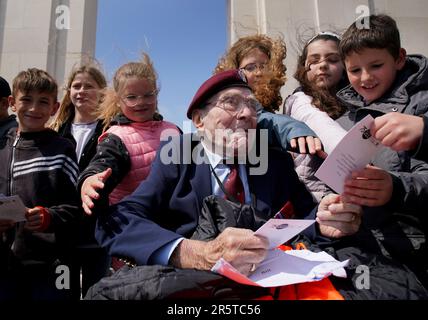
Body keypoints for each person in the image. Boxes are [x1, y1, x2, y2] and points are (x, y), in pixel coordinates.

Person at [92, 70, 362, 282]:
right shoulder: (176, 157)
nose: (246, 114)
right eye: (231, 103)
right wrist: (194, 253)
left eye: (251, 106)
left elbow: (304, 217)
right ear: (199, 121)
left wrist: (324, 221)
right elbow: (117, 222)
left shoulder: (275, 161)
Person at [336, 14, 428, 287]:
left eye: (376, 65)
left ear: (399, 58)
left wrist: (396, 187)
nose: (365, 78)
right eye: (354, 71)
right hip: (371, 259)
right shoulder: (345, 119)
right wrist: (336, 208)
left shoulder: (421, 105)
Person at [0, 68, 80, 300]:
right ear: (13, 103)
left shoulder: (62, 149)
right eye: (26, 99)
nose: (34, 108)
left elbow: (75, 210)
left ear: (54, 108)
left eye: (43, 102)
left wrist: (49, 217)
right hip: (6, 263)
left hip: (51, 264)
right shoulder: (1, 147)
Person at [50, 65, 108, 298]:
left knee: (97, 293)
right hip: (62, 233)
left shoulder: (112, 130)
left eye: (89, 86)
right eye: (76, 86)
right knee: (64, 292)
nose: (81, 91)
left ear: (102, 92)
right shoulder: (55, 131)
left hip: (98, 232)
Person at [215, 34, 323, 155]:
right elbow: (264, 121)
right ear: (235, 71)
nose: (259, 72)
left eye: (264, 66)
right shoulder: (231, 104)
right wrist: (293, 129)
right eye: (250, 67)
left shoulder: (267, 105)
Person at [283, 31, 348, 201]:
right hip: (316, 202)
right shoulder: (299, 101)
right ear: (304, 67)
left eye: (333, 60)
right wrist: (355, 160)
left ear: (345, 65)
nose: (323, 65)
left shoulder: (357, 101)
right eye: (314, 60)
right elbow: (317, 122)